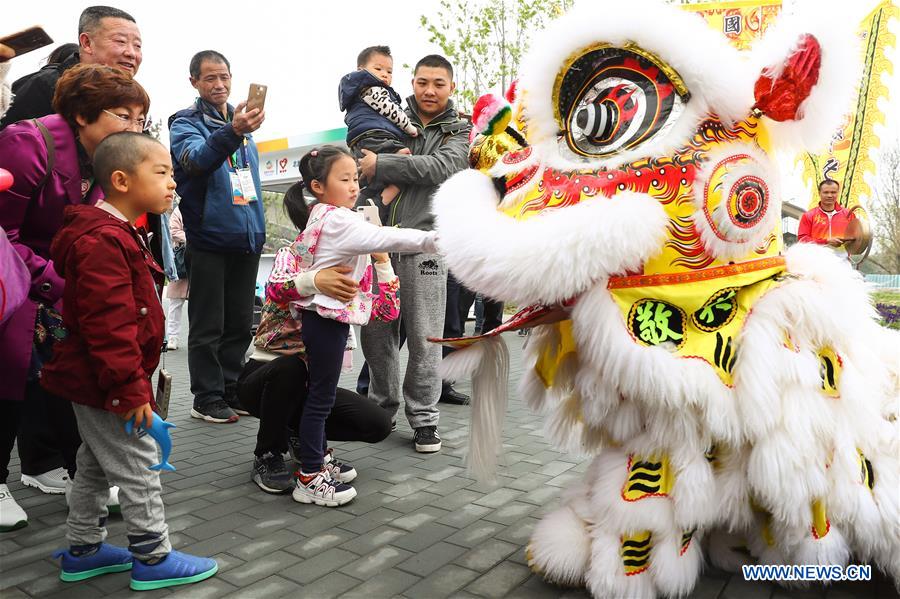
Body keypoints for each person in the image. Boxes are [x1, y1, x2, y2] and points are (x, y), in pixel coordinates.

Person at [41, 131, 218, 591]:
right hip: (110, 383)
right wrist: (130, 388)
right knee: (140, 464)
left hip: (99, 381)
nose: (172, 184)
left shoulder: (118, 233)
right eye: (161, 173)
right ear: (121, 180)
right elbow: (109, 325)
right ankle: (152, 555)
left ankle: (84, 549)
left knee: (97, 464)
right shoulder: (104, 241)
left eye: (172, 175)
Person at [0, 64, 147, 529]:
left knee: (62, 378)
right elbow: (3, 231)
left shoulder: (104, 161)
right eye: (123, 115)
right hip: (12, 272)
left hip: (50, 276)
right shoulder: (29, 141)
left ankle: (72, 477)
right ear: (83, 115)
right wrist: (62, 282)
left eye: (139, 119)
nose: (133, 129)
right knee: (7, 379)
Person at [286, 146, 437, 506]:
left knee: (319, 393)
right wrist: (433, 239)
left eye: (355, 178)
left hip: (322, 318)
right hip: (325, 319)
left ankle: (317, 460)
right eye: (345, 179)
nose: (354, 186)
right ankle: (309, 475)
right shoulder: (339, 221)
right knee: (321, 397)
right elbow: (386, 237)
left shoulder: (326, 215)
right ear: (318, 186)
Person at [239, 182, 392, 494]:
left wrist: (382, 260)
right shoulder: (292, 255)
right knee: (292, 369)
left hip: (311, 383)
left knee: (378, 423)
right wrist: (315, 280)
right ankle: (268, 454)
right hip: (265, 378)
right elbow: (277, 288)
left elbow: (386, 313)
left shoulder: (353, 267)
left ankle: (304, 441)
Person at [357, 54, 470, 453]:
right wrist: (370, 164)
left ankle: (424, 419)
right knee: (376, 336)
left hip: (427, 245)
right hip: (376, 244)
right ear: (413, 82)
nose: (429, 90)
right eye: (422, 82)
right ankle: (380, 411)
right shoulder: (387, 116)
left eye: (438, 83)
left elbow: (441, 167)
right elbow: (359, 159)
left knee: (426, 338)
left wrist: (381, 164)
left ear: (450, 87)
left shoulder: (459, 129)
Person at [169, 50, 266, 424]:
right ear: (194, 81)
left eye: (224, 76)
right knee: (208, 323)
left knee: (241, 322)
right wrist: (233, 131)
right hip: (208, 238)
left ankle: (230, 389)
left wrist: (237, 128)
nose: (219, 85)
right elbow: (194, 161)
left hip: (248, 238)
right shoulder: (185, 122)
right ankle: (205, 397)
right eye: (210, 78)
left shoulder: (241, 126)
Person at [0, 5, 142, 129]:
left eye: (137, 46)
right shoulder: (45, 87)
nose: (131, 53)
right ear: (87, 43)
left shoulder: (133, 99)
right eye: (121, 41)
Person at [340, 45, 417, 207]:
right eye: (378, 69)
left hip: (362, 140)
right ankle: (385, 199)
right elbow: (391, 111)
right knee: (406, 161)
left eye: (389, 72)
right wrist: (411, 129)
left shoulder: (357, 92)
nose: (384, 74)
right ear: (361, 70)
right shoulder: (372, 89)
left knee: (373, 179)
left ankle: (368, 202)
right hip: (376, 137)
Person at [797, 180, 856, 256]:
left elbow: (856, 238)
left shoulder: (849, 214)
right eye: (826, 192)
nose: (829, 195)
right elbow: (802, 240)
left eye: (833, 192)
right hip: (815, 262)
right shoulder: (809, 215)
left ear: (838, 193)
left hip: (843, 262)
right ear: (819, 193)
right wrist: (826, 241)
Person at [164, 205, 188, 350]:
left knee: (200, 307)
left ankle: (196, 338)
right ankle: (172, 337)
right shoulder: (179, 211)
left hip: (199, 261)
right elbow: (173, 231)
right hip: (181, 260)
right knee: (175, 303)